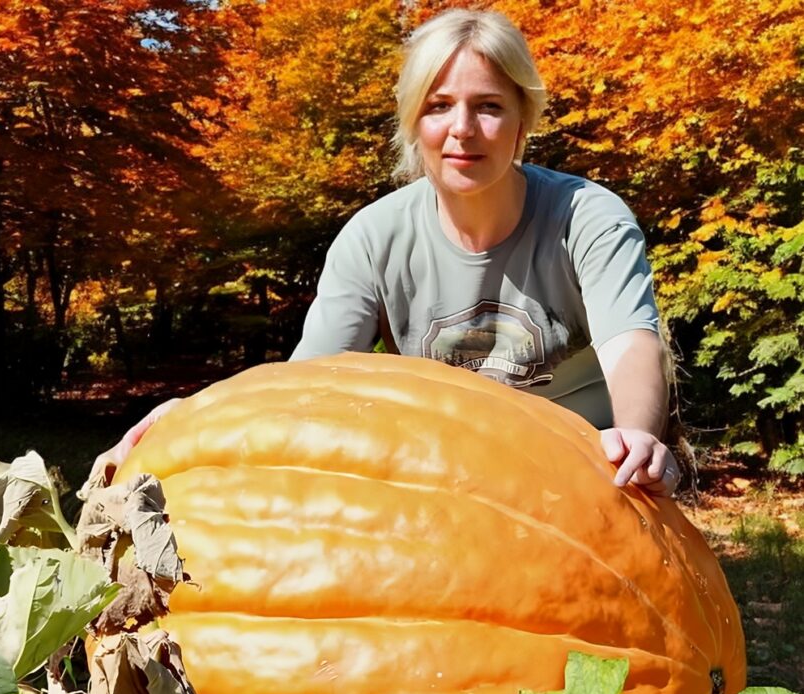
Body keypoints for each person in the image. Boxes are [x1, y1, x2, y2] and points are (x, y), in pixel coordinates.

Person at [91, 8, 680, 496]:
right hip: (448, 488)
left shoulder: (588, 218)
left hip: (590, 481)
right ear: (412, 121)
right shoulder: (374, 238)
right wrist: (195, 414)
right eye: (439, 105)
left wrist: (638, 438)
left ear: (524, 118)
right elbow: (306, 386)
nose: (463, 128)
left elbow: (630, 343)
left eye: (490, 106)